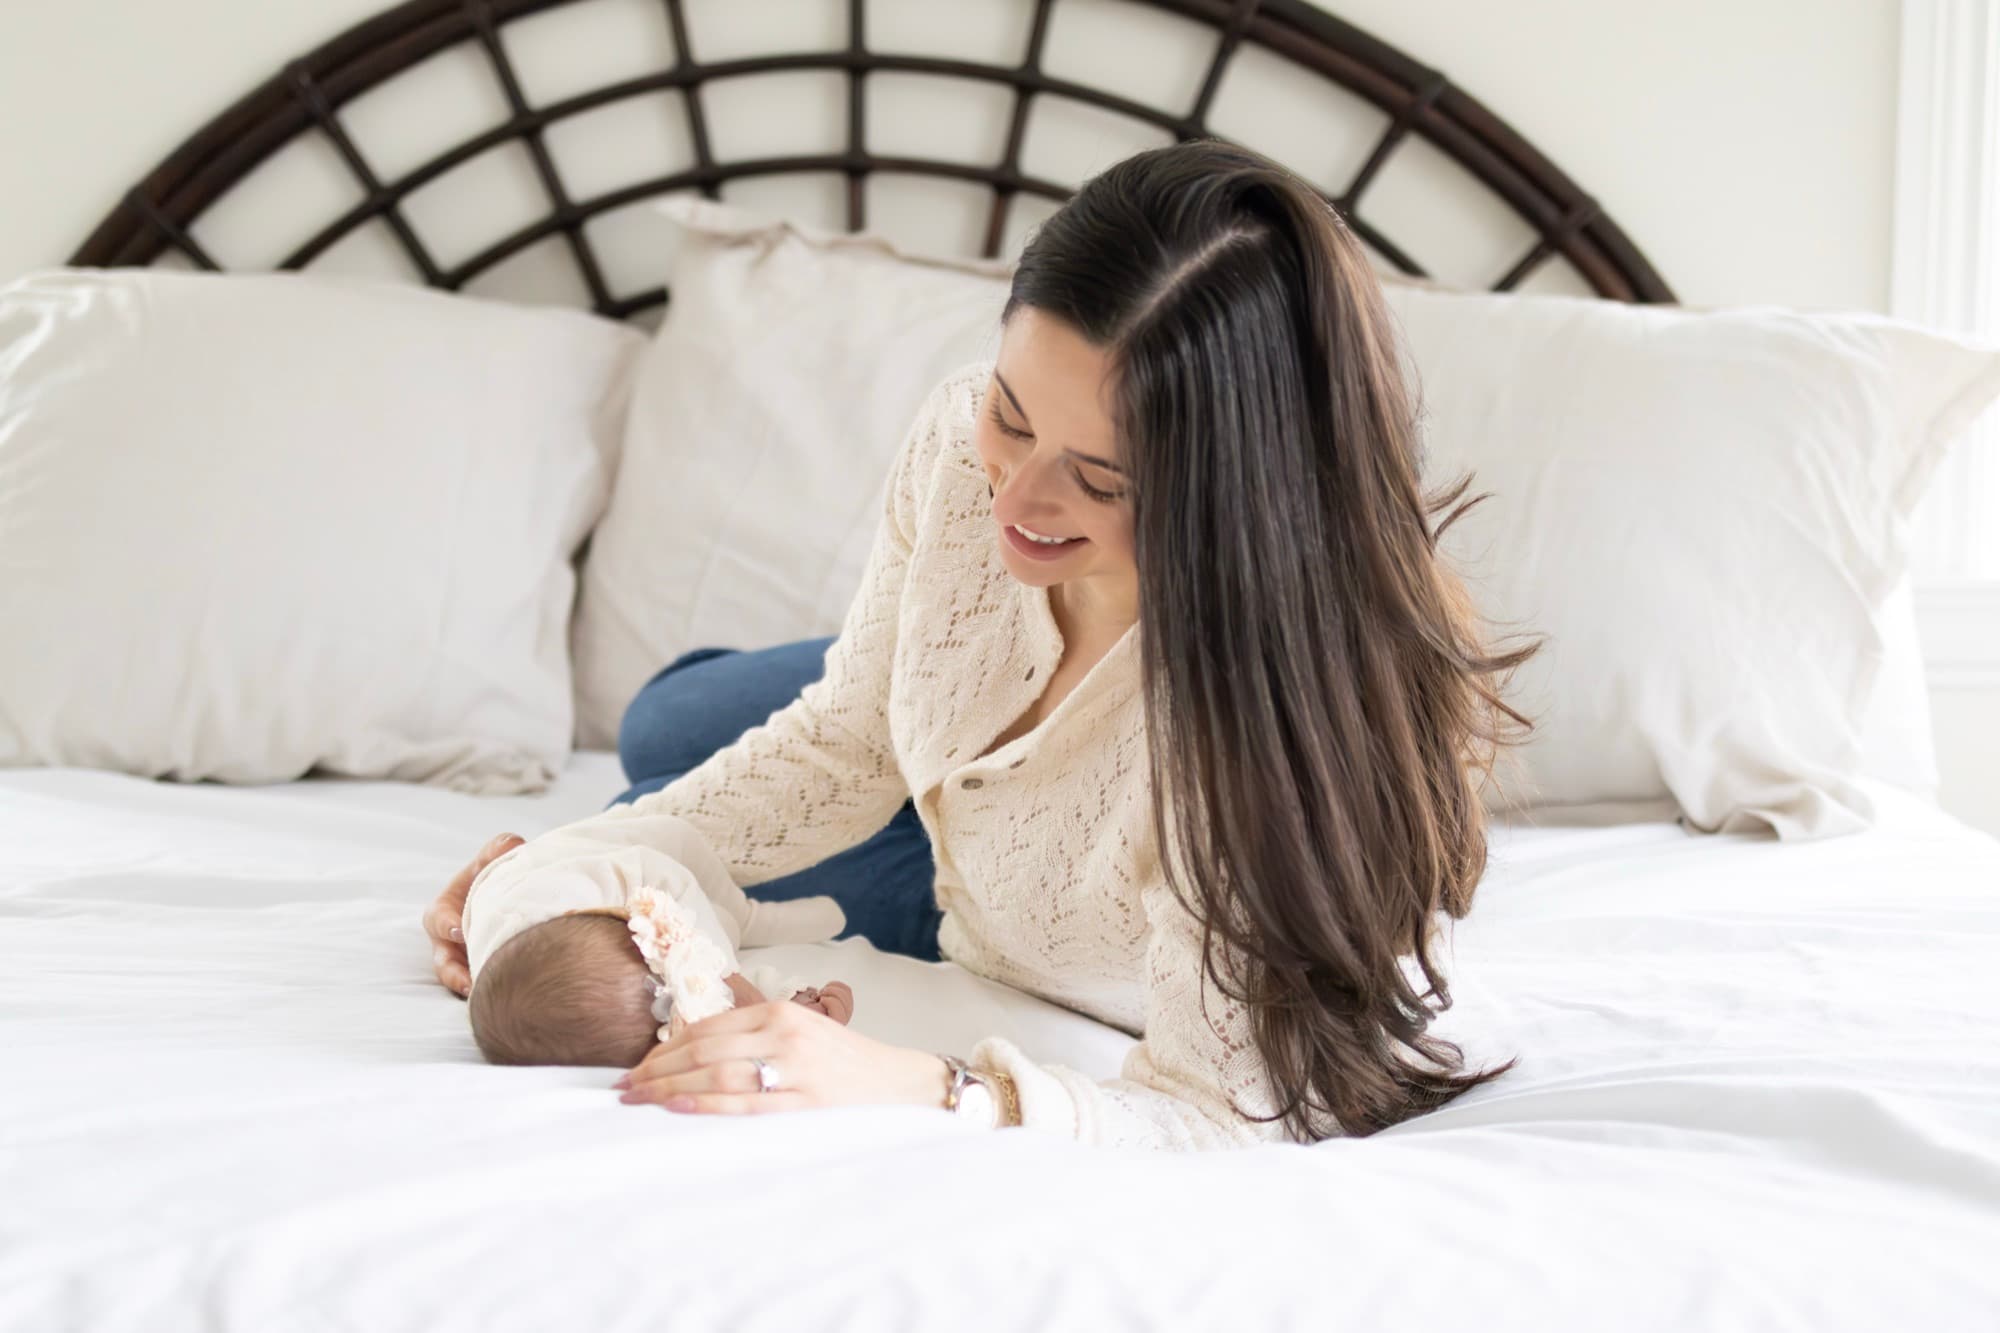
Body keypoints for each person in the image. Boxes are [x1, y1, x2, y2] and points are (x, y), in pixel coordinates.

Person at [422, 138, 1532, 1150]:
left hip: (1041, 924)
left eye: (1097, 476)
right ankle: (913, 724)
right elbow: (850, 741)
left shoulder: (1260, 747)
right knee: (662, 720)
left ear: (1230, 497)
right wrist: (575, 872)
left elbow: (1214, 1116)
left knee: (664, 763)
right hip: (956, 800)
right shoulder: (965, 449)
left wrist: (925, 1084)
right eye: (1011, 412)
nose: (1017, 494)